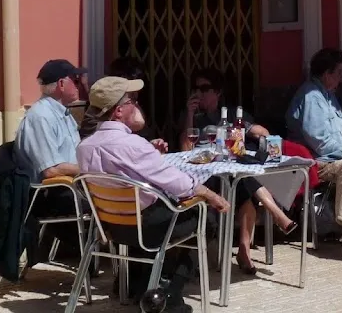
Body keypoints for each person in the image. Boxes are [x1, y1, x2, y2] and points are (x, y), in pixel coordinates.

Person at [77, 76, 230, 311]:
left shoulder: (85, 147)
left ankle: (144, 286)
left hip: (111, 228)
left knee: (162, 214)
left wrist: (150, 154)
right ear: (119, 111)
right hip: (145, 228)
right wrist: (211, 195)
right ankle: (168, 295)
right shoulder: (132, 144)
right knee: (206, 218)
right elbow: (179, 184)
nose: (138, 105)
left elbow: (125, 175)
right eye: (133, 100)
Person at [178, 68, 295, 272]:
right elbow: (185, 150)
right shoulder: (192, 118)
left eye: (204, 88)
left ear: (218, 92)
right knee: (245, 180)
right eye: (195, 88)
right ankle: (277, 214)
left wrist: (257, 137)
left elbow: (261, 131)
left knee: (244, 188)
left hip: (231, 174)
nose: (199, 93)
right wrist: (189, 114)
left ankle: (244, 251)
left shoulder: (231, 115)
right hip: (207, 178)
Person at [15, 59, 86, 231]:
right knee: (111, 207)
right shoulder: (41, 117)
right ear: (61, 84)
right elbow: (50, 170)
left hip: (71, 187)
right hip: (51, 195)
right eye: (75, 80)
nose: (80, 85)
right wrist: (89, 168)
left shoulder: (65, 113)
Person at [286, 48, 342, 182]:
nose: (341, 77)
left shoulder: (328, 94)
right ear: (327, 74)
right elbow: (320, 142)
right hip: (319, 162)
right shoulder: (312, 96)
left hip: (337, 156)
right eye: (339, 73)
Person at [80, 57, 161, 143]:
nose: (135, 93)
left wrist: (150, 144)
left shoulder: (133, 103)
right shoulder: (100, 101)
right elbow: (91, 135)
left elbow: (143, 134)